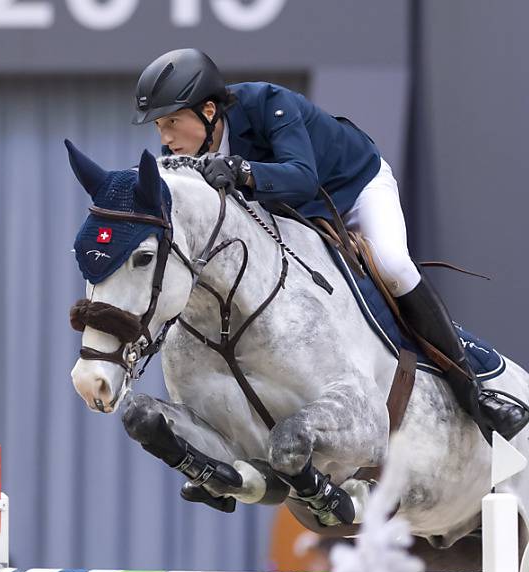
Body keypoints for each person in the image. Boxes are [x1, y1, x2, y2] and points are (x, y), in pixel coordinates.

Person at [131, 48, 528, 444]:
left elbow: (302, 176)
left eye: (172, 122)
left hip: (353, 189)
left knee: (392, 266)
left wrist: (243, 170)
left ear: (210, 110)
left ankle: (475, 391)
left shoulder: (270, 103)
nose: (165, 137)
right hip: (292, 215)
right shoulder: (182, 156)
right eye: (159, 126)